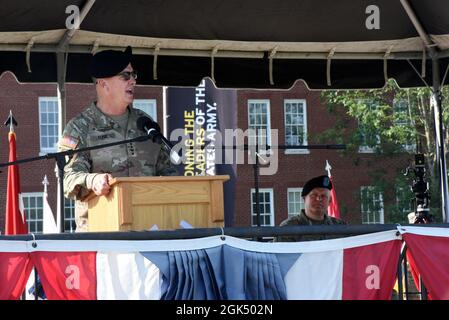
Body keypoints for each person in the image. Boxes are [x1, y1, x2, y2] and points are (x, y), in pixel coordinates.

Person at [59, 46, 178, 232]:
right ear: (103, 84)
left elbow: (169, 174)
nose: (133, 81)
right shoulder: (79, 127)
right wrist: (93, 180)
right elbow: (68, 179)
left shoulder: (145, 123)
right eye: (125, 76)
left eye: (134, 75)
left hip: (149, 232)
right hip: (101, 236)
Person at [276, 175, 346, 242]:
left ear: (329, 201)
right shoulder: (288, 228)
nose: (319, 199)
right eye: (314, 195)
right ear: (304, 199)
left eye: (323, 196)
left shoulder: (340, 227)